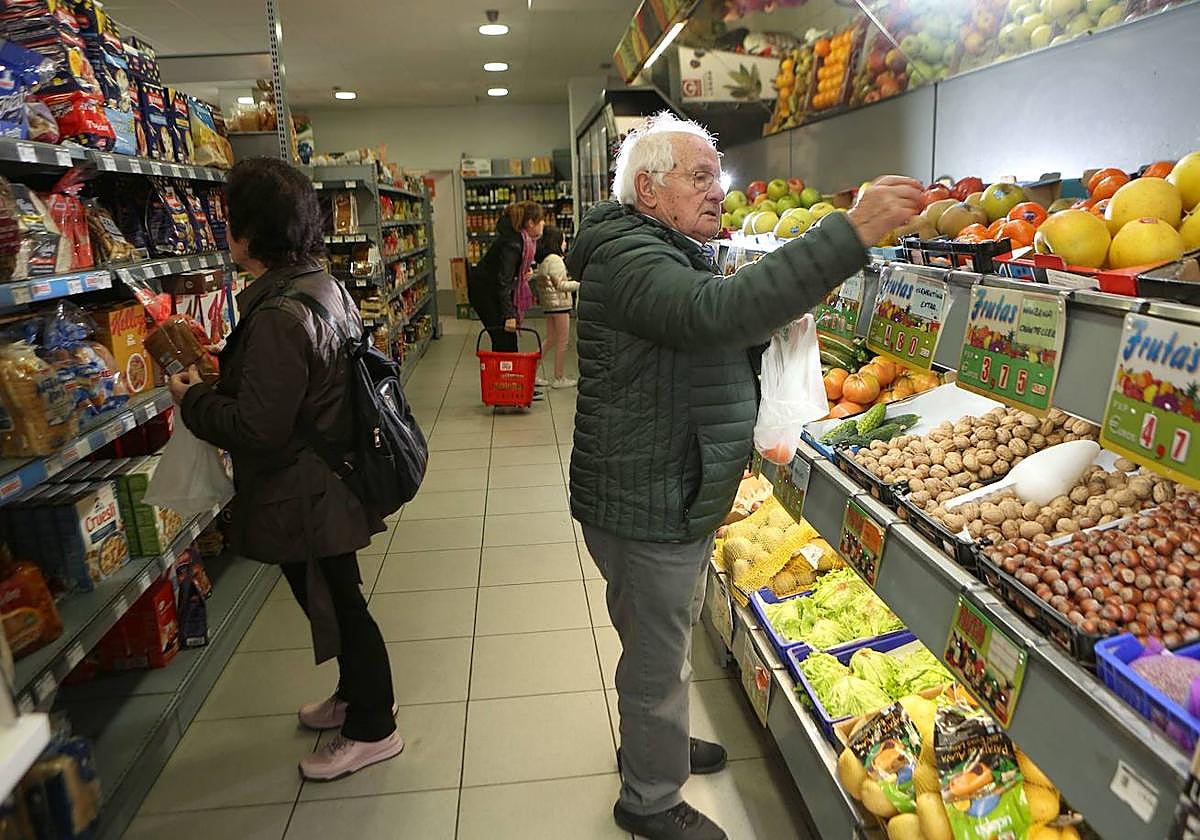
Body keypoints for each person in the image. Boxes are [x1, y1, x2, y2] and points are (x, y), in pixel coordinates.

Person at [566, 112, 923, 840]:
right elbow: (711, 315)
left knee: (656, 644)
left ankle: (652, 743)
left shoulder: (661, 247)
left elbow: (696, 342)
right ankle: (650, 800)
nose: (715, 192)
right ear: (647, 188)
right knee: (656, 658)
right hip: (649, 493)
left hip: (669, 485)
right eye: (698, 177)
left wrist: (768, 324)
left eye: (715, 178)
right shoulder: (633, 258)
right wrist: (848, 233)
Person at [166, 157, 402, 782]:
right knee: (331, 593)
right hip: (332, 476)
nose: (224, 233)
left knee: (341, 603)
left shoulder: (276, 314)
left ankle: (375, 727)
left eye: (229, 222)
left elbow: (258, 429)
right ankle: (355, 697)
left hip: (308, 487)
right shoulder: (316, 284)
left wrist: (194, 399)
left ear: (251, 233)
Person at [468, 199, 545, 352]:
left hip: (491, 289)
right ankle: (502, 374)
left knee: (508, 339)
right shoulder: (513, 244)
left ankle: (507, 373)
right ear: (530, 223)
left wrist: (522, 272)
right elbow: (503, 281)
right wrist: (509, 315)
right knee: (503, 338)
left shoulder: (522, 240)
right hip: (484, 292)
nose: (543, 223)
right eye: (541, 220)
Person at [531, 225, 579, 388]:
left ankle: (531, 372)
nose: (565, 244)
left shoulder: (544, 260)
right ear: (555, 242)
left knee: (550, 339)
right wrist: (579, 284)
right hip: (560, 305)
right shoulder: (556, 260)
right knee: (562, 341)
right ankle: (559, 378)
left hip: (549, 305)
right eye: (563, 240)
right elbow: (560, 285)